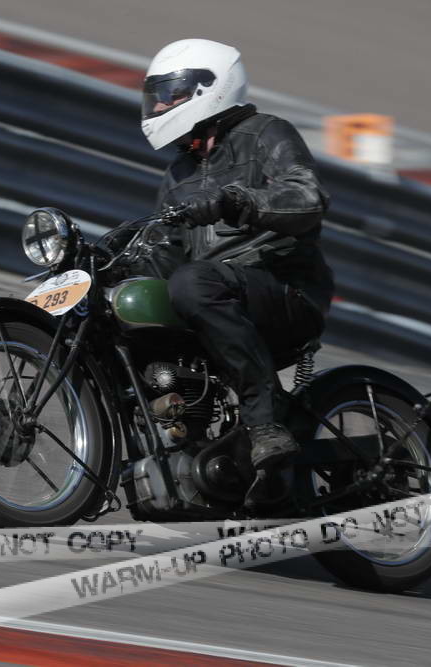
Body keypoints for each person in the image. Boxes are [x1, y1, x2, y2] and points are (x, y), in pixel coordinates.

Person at [141, 39, 335, 479]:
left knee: (193, 282)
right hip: (217, 294)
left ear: (209, 89)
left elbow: (307, 198)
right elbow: (165, 253)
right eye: (156, 95)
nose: (160, 105)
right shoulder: (180, 172)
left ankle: (265, 422)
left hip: (284, 287)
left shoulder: (264, 133)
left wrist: (237, 201)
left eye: (170, 93)